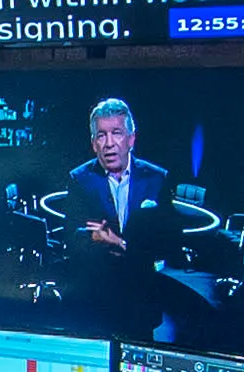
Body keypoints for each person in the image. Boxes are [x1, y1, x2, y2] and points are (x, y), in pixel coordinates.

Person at [62, 98, 185, 343]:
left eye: (116, 133)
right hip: (96, 299)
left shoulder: (157, 179)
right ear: (93, 144)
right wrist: (94, 237)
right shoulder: (80, 179)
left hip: (141, 299)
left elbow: (169, 241)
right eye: (101, 135)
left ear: (131, 139)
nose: (109, 144)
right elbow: (71, 235)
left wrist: (121, 244)